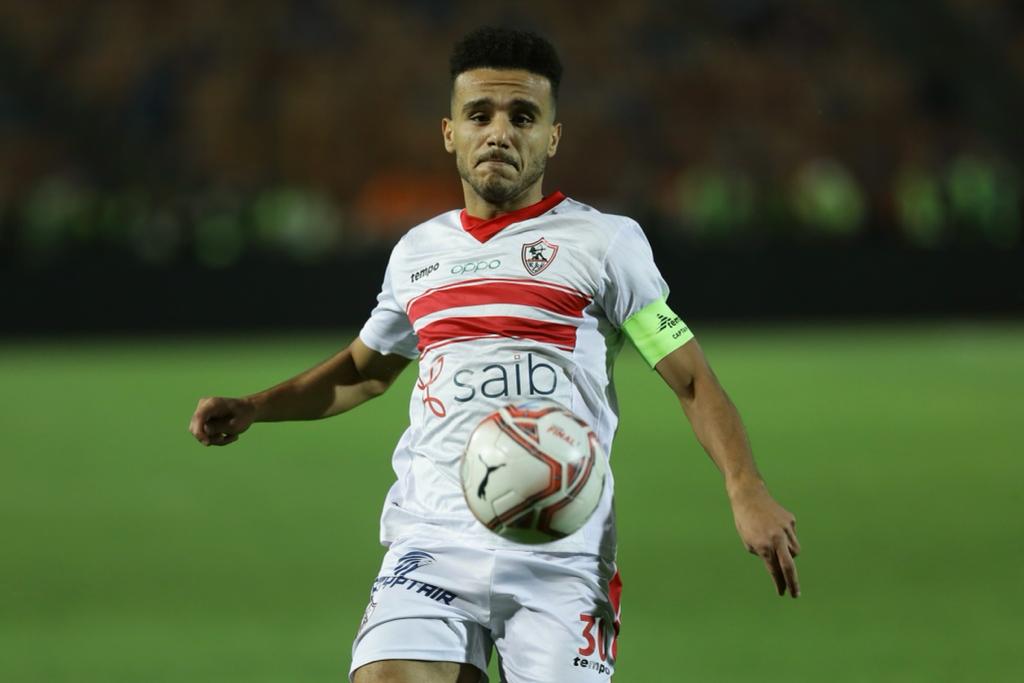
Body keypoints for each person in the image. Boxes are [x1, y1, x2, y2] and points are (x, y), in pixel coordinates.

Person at [189, 26, 801, 683]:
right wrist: (256, 407)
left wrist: (746, 487)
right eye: (479, 115)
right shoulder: (418, 254)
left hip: (562, 553)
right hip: (433, 541)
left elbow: (692, 380)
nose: (499, 133)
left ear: (553, 137)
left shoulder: (605, 243)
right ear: (450, 132)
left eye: (523, 117)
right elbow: (365, 371)